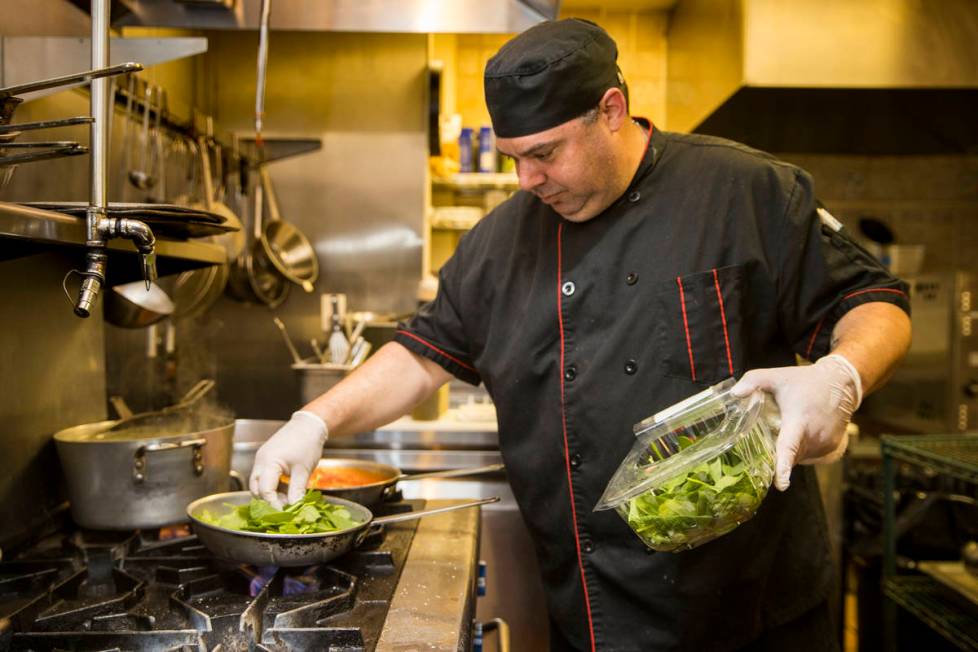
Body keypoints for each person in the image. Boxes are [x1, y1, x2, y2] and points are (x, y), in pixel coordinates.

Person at [250, 18, 911, 652]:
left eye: (544, 154)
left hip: (751, 617)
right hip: (589, 616)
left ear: (613, 110)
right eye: (513, 159)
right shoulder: (497, 245)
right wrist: (315, 418)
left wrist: (840, 376)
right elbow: (424, 356)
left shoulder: (745, 192)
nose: (527, 182)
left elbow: (874, 302)